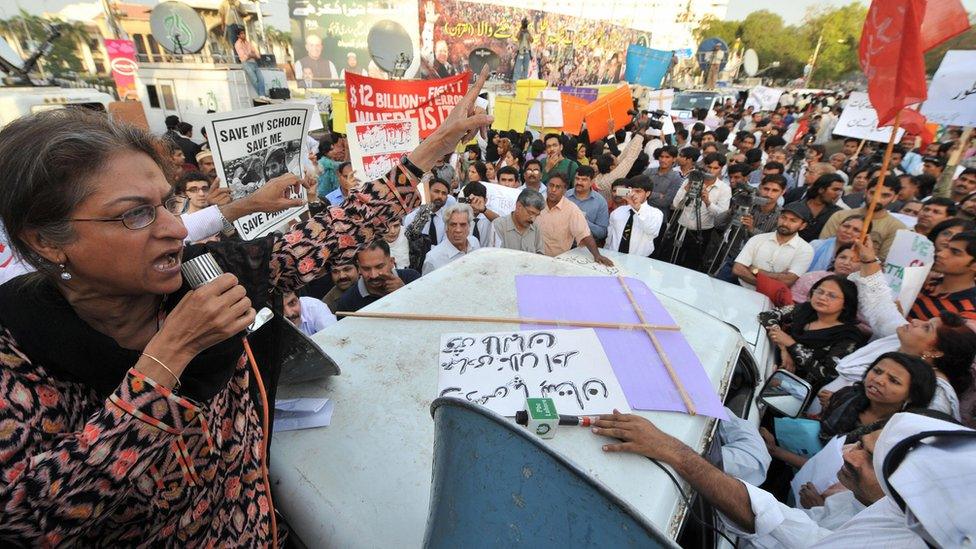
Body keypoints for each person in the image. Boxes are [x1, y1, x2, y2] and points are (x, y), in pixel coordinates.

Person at [0, 73, 494, 543]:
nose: (175, 229)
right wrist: (164, 363)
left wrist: (432, 149)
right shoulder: (18, 360)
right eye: (135, 214)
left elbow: (327, 235)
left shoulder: (205, 275)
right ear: (46, 240)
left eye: (169, 203)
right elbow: (30, 521)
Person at [590, 410, 973, 547]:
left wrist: (677, 452)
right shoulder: (899, 516)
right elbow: (801, 532)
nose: (847, 454)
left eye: (868, 457)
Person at [821, 237, 976, 422]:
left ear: (934, 351)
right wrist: (868, 260)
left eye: (926, 328)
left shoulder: (935, 395)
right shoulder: (900, 338)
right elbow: (880, 305)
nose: (916, 321)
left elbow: (907, 436)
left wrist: (844, 404)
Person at [759, 275, 865, 390]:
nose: (823, 297)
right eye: (819, 291)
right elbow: (766, 315)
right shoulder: (805, 310)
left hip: (798, 391)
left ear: (846, 303)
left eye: (832, 295)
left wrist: (792, 345)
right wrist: (784, 347)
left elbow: (827, 375)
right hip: (767, 364)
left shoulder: (848, 337)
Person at [820, 175, 906, 260]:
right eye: (873, 193)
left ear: (895, 198)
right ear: (865, 192)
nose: (876, 199)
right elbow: (823, 245)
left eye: (885, 195)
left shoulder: (897, 228)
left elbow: (883, 261)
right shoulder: (840, 216)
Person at [732, 203, 814, 290]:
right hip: (741, 289)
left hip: (773, 298)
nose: (785, 223)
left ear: (802, 226)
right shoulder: (758, 239)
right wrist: (769, 283)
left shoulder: (805, 250)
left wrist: (754, 270)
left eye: (793, 221)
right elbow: (737, 269)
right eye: (783, 218)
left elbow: (787, 281)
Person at [537, 173, 613, 265]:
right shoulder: (537, 203)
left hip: (557, 261)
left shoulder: (572, 210)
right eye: (551, 185)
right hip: (534, 257)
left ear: (564, 190)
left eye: (558, 187)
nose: (553, 190)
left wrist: (597, 255)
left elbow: (585, 234)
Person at [670, 158, 732, 271]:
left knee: (692, 266)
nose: (711, 170)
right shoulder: (691, 180)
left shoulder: (724, 189)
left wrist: (708, 202)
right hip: (681, 227)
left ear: (721, 169)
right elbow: (675, 204)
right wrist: (685, 190)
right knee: (672, 260)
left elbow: (721, 216)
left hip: (703, 233)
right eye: (708, 167)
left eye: (715, 168)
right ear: (704, 166)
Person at [336, 239, 421, 315]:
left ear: (392, 262)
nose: (374, 275)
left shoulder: (412, 279)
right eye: (366, 269)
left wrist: (405, 292)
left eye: (379, 267)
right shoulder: (347, 302)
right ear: (358, 268)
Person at [908, 231, 976, 321]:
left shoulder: (970, 310)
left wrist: (896, 316)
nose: (940, 254)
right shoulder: (927, 281)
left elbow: (935, 335)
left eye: (955, 252)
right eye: (946, 247)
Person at [603, 175, 663, 257]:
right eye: (631, 191)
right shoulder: (617, 212)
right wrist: (605, 253)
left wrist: (638, 210)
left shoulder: (656, 213)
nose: (633, 194)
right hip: (614, 257)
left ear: (647, 193)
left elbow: (651, 230)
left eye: (638, 191)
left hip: (639, 261)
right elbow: (610, 238)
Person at [422, 204, 480, 275]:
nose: (458, 230)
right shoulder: (433, 259)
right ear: (446, 228)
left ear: (469, 227)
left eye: (463, 225)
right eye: (453, 225)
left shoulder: (474, 243)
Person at [791, 243, 859, 303]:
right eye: (842, 257)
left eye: (854, 260)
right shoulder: (811, 278)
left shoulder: (861, 288)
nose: (846, 263)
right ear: (835, 258)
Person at [789, 174, 845, 243]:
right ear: (821, 190)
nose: (838, 194)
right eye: (835, 189)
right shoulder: (794, 207)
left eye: (840, 190)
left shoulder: (837, 214)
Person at [490, 189, 545, 254]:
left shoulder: (535, 228)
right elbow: (495, 257)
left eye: (536, 215)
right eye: (530, 213)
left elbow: (540, 254)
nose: (533, 219)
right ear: (519, 206)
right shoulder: (499, 225)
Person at [566, 165, 609, 243]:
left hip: (587, 247)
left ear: (592, 181)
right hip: (564, 244)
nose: (579, 182)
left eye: (584, 180)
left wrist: (584, 221)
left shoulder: (600, 202)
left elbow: (602, 233)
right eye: (577, 178)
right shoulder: (565, 196)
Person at [646, 145, 683, 214]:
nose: (663, 160)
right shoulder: (649, 171)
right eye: (661, 157)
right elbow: (637, 190)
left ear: (674, 159)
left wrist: (646, 195)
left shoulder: (676, 178)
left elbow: (665, 202)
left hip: (660, 216)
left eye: (667, 157)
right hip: (641, 212)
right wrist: (657, 195)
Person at [234, 28, 268, 100]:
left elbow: (257, 55)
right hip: (246, 63)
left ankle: (262, 95)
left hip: (254, 62)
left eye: (244, 33)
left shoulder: (248, 43)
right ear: (238, 35)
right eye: (241, 34)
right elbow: (243, 57)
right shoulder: (237, 44)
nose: (243, 35)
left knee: (261, 79)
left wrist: (251, 55)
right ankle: (261, 95)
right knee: (254, 80)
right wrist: (251, 55)